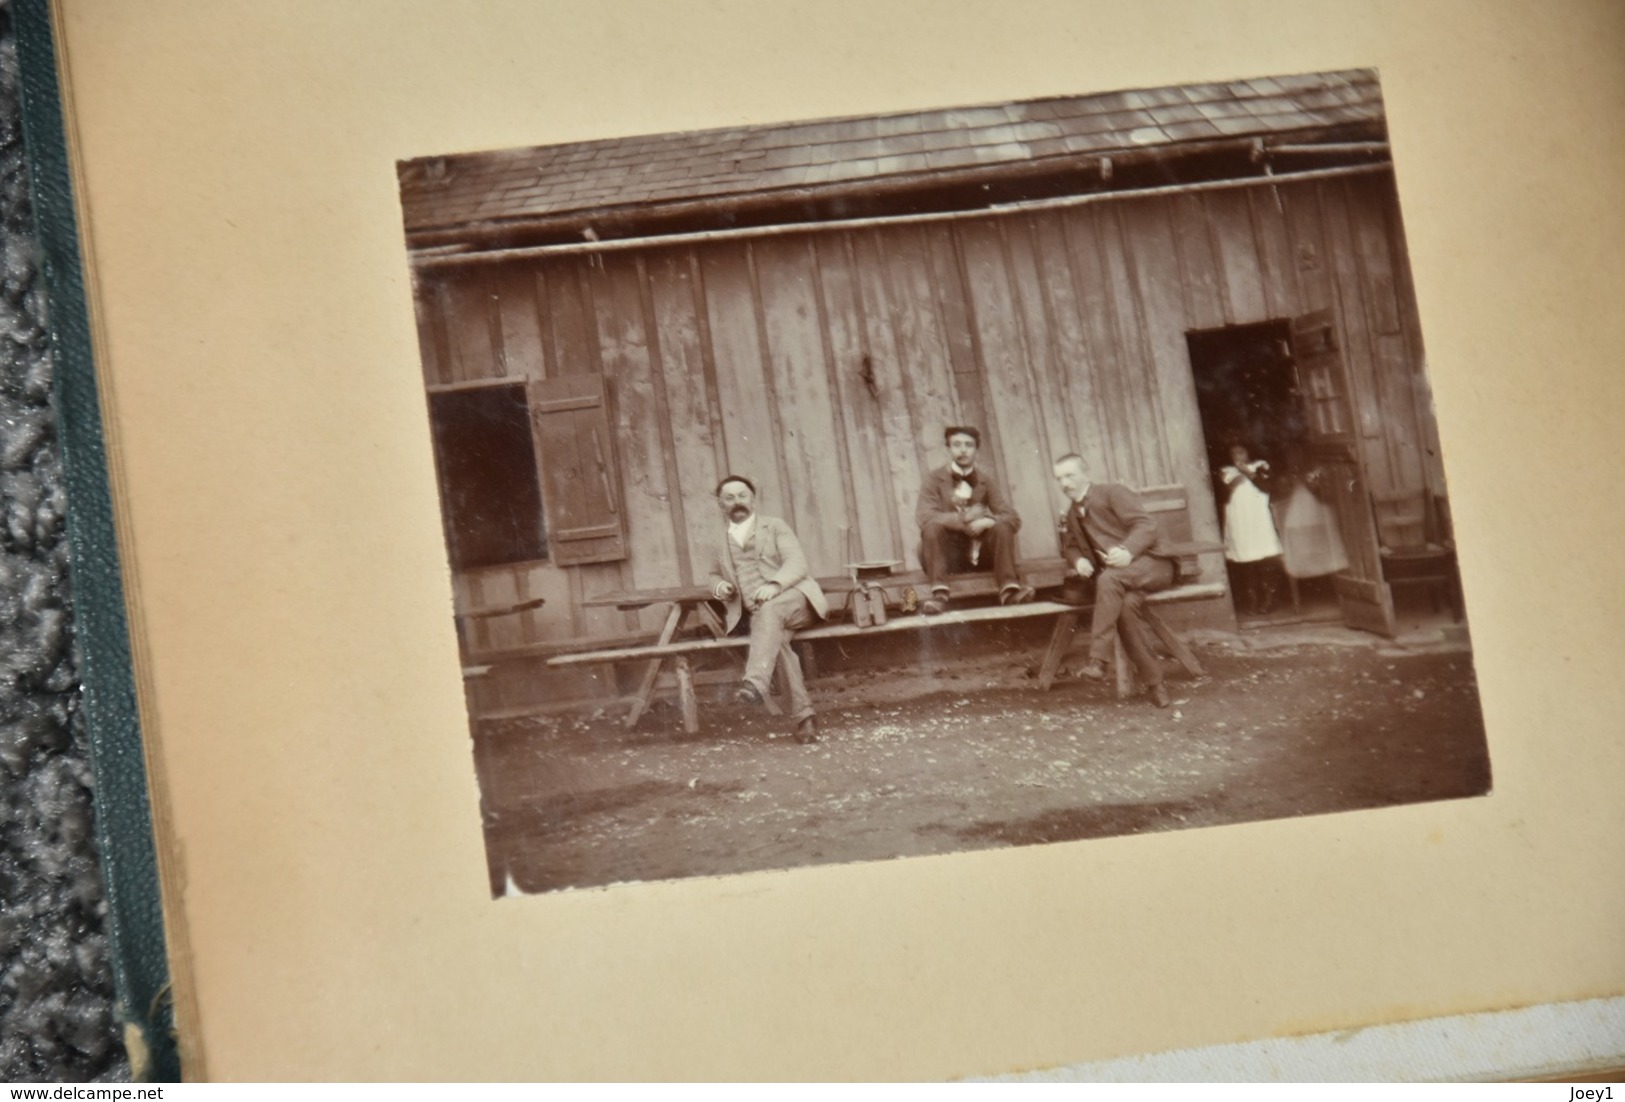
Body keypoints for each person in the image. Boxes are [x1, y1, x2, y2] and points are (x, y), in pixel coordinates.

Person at [1052, 453, 1180, 708]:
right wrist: (1078, 561)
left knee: (1109, 580)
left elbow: (1146, 525)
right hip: (1124, 580)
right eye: (1059, 479)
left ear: (1086, 475)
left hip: (1154, 564)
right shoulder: (1071, 513)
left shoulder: (1112, 492)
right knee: (1122, 610)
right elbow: (1070, 547)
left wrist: (1127, 550)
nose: (1065, 483)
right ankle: (1156, 684)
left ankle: (1098, 660)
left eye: (1070, 475)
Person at [707, 475, 828, 744]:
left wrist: (775, 585)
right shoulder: (720, 540)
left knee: (770, 612)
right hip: (762, 617)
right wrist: (720, 587)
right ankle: (804, 719)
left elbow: (797, 563)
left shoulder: (774, 527)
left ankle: (755, 682)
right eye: (729, 497)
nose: (737, 502)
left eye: (742, 496)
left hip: (796, 601)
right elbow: (713, 575)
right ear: (720, 505)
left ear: (752, 499)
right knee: (777, 642)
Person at [914, 426, 1034, 615]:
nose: (963, 450)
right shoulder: (933, 479)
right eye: (957, 445)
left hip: (978, 555)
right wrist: (964, 519)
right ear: (948, 449)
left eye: (969, 445)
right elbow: (925, 516)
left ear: (977, 450)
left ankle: (1009, 591)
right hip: (946, 557)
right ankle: (939, 597)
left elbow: (1012, 518)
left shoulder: (985, 480)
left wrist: (988, 521)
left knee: (1002, 527)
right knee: (931, 528)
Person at [1218, 443, 1285, 615]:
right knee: (1246, 559)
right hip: (1240, 519)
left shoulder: (1261, 466)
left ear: (1248, 452)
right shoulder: (1226, 471)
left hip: (1258, 517)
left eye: (1240, 452)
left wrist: (1249, 473)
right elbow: (1221, 495)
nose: (1237, 456)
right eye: (1233, 453)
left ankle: (1269, 599)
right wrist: (1232, 483)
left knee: (1265, 557)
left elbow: (1268, 487)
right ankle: (1252, 599)